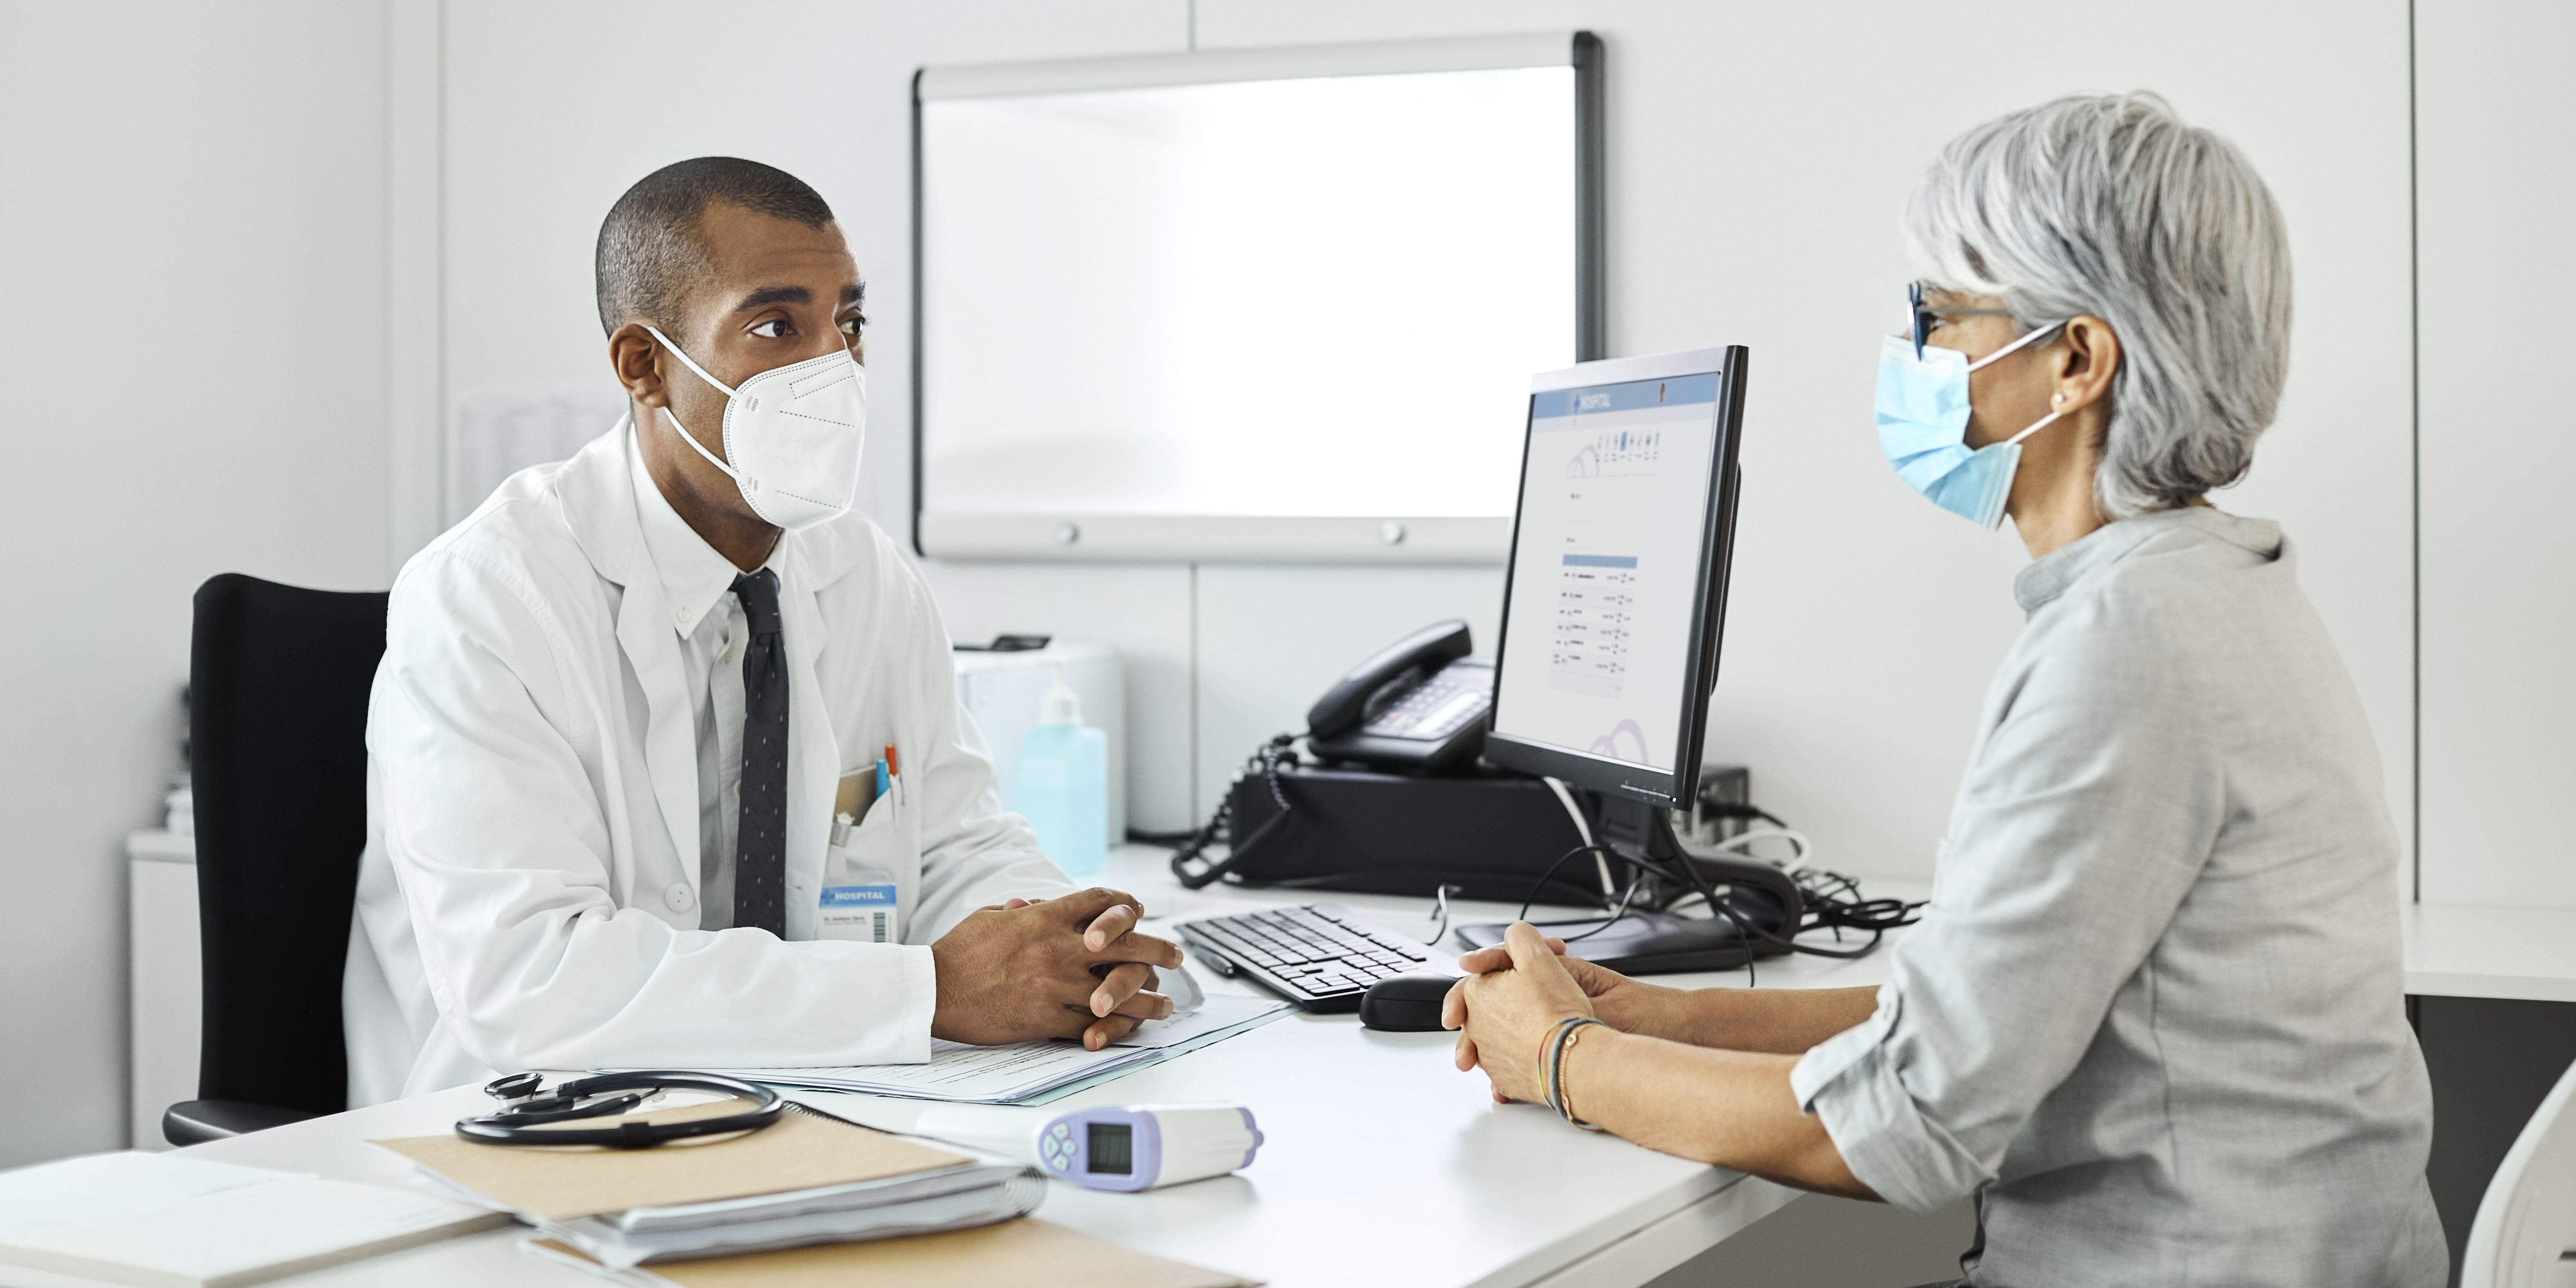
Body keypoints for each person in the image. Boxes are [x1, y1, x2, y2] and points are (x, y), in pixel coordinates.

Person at [1444, 94, 2445, 1286]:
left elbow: (1900, 1129)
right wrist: (1650, 1018)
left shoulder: (2126, 650)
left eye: (1937, 315)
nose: (1910, 354)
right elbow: (1959, 1016)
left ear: (2073, 360)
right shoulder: (2203, 591)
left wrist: (1555, 1054)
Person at [343, 157, 1180, 1105]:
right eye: (779, 327)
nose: (835, 369)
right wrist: (935, 989)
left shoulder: (866, 578)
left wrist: (1073, 947)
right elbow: (529, 980)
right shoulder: (488, 597)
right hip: (532, 1138)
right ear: (644, 364)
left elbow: (954, 845)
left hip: (819, 1108)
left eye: (849, 325)